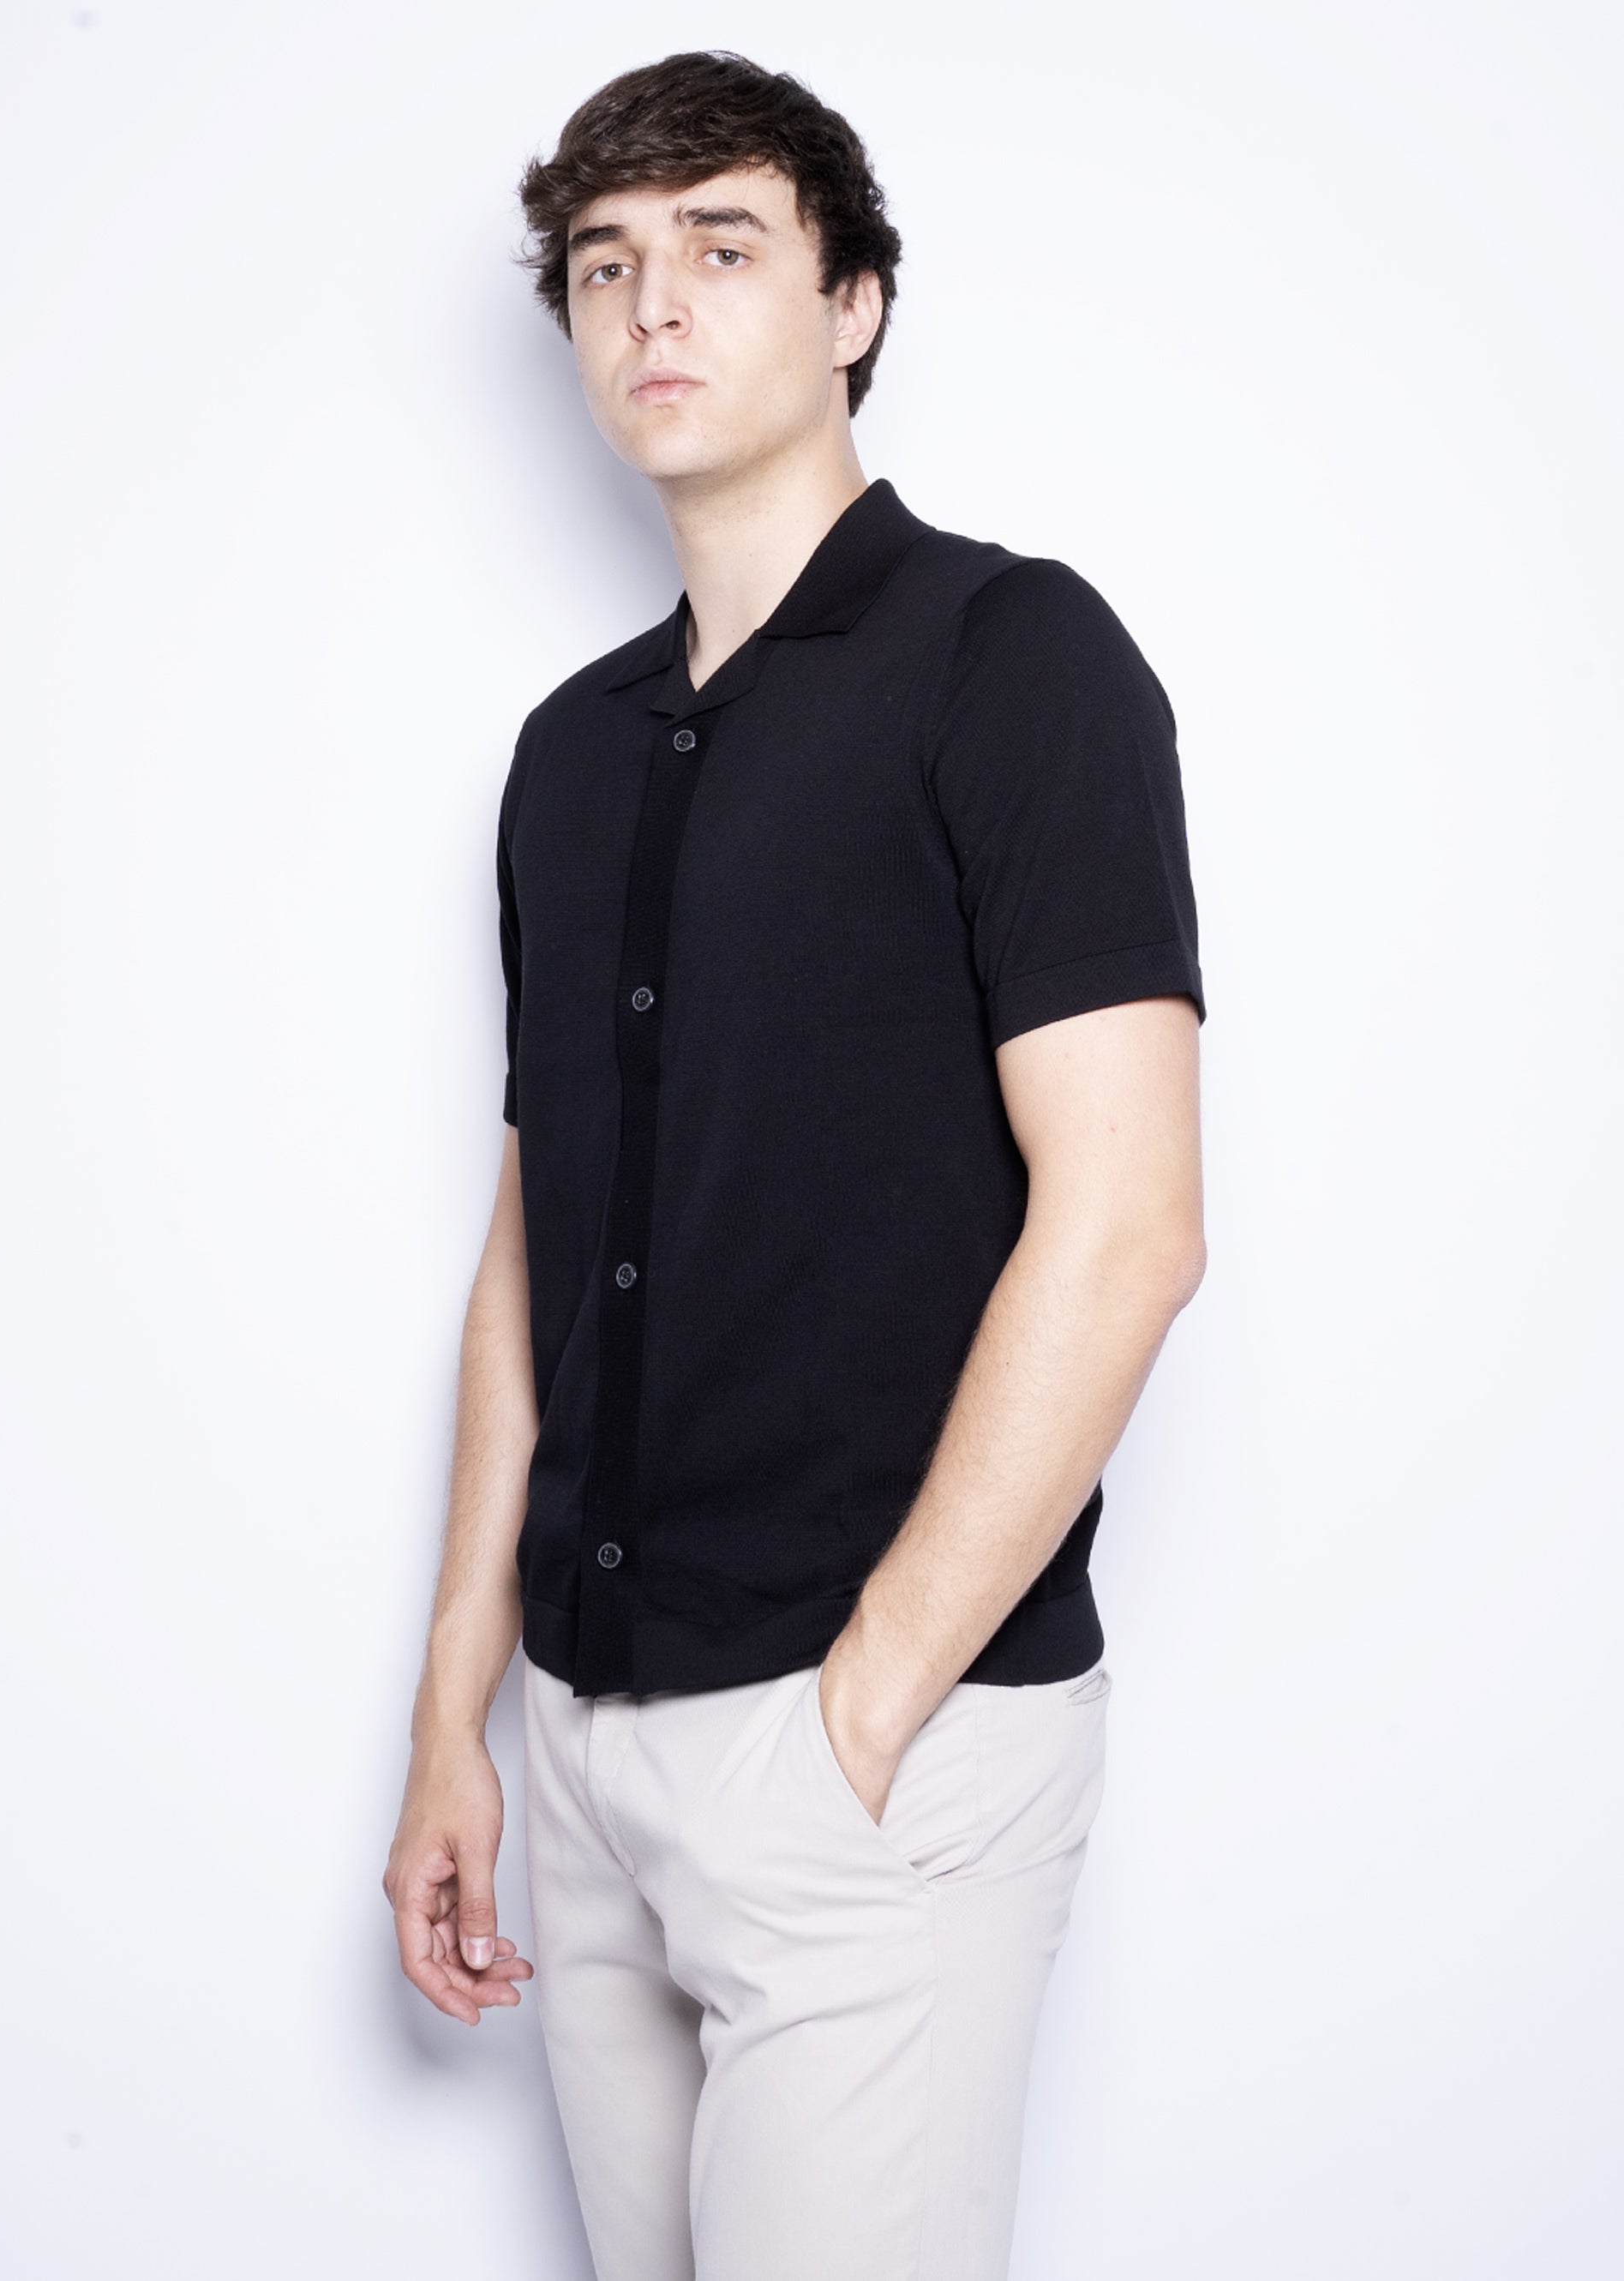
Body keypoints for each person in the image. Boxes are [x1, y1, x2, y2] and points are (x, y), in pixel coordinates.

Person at [383, 48, 1208, 2281]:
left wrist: (862, 1710)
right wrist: (459, 1711)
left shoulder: (1014, 660)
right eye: (604, 266)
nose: (652, 303)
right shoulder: (567, 753)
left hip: (868, 1748)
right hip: (584, 1744)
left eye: (722, 246)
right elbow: (536, 1247)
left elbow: (1129, 1227)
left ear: (854, 302)